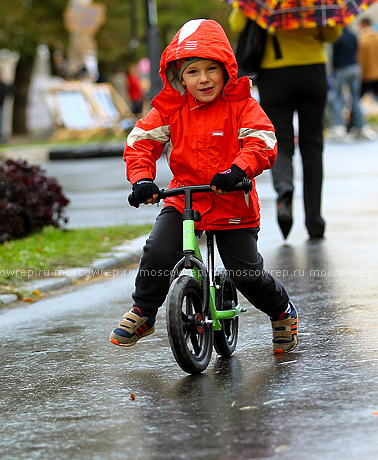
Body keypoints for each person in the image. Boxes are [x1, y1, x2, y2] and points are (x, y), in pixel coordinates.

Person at [110, 18, 298, 355]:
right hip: (185, 197)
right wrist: (141, 179)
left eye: (212, 68)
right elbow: (140, 142)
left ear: (226, 69)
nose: (204, 79)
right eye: (193, 71)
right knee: (158, 251)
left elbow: (262, 141)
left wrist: (239, 169)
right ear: (177, 77)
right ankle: (144, 310)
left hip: (231, 196)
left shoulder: (241, 105)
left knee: (245, 274)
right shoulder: (171, 108)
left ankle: (282, 312)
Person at [230, 9, 341, 240]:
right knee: (312, 146)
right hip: (313, 70)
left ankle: (284, 193)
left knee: (280, 141)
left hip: (275, 73)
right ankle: (314, 220)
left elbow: (237, 23)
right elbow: (332, 33)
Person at [328, 26, 375, 142]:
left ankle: (339, 126)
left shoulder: (337, 37)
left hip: (341, 69)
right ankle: (360, 125)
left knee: (338, 97)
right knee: (355, 97)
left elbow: (334, 56)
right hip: (354, 67)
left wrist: (333, 72)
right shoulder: (354, 36)